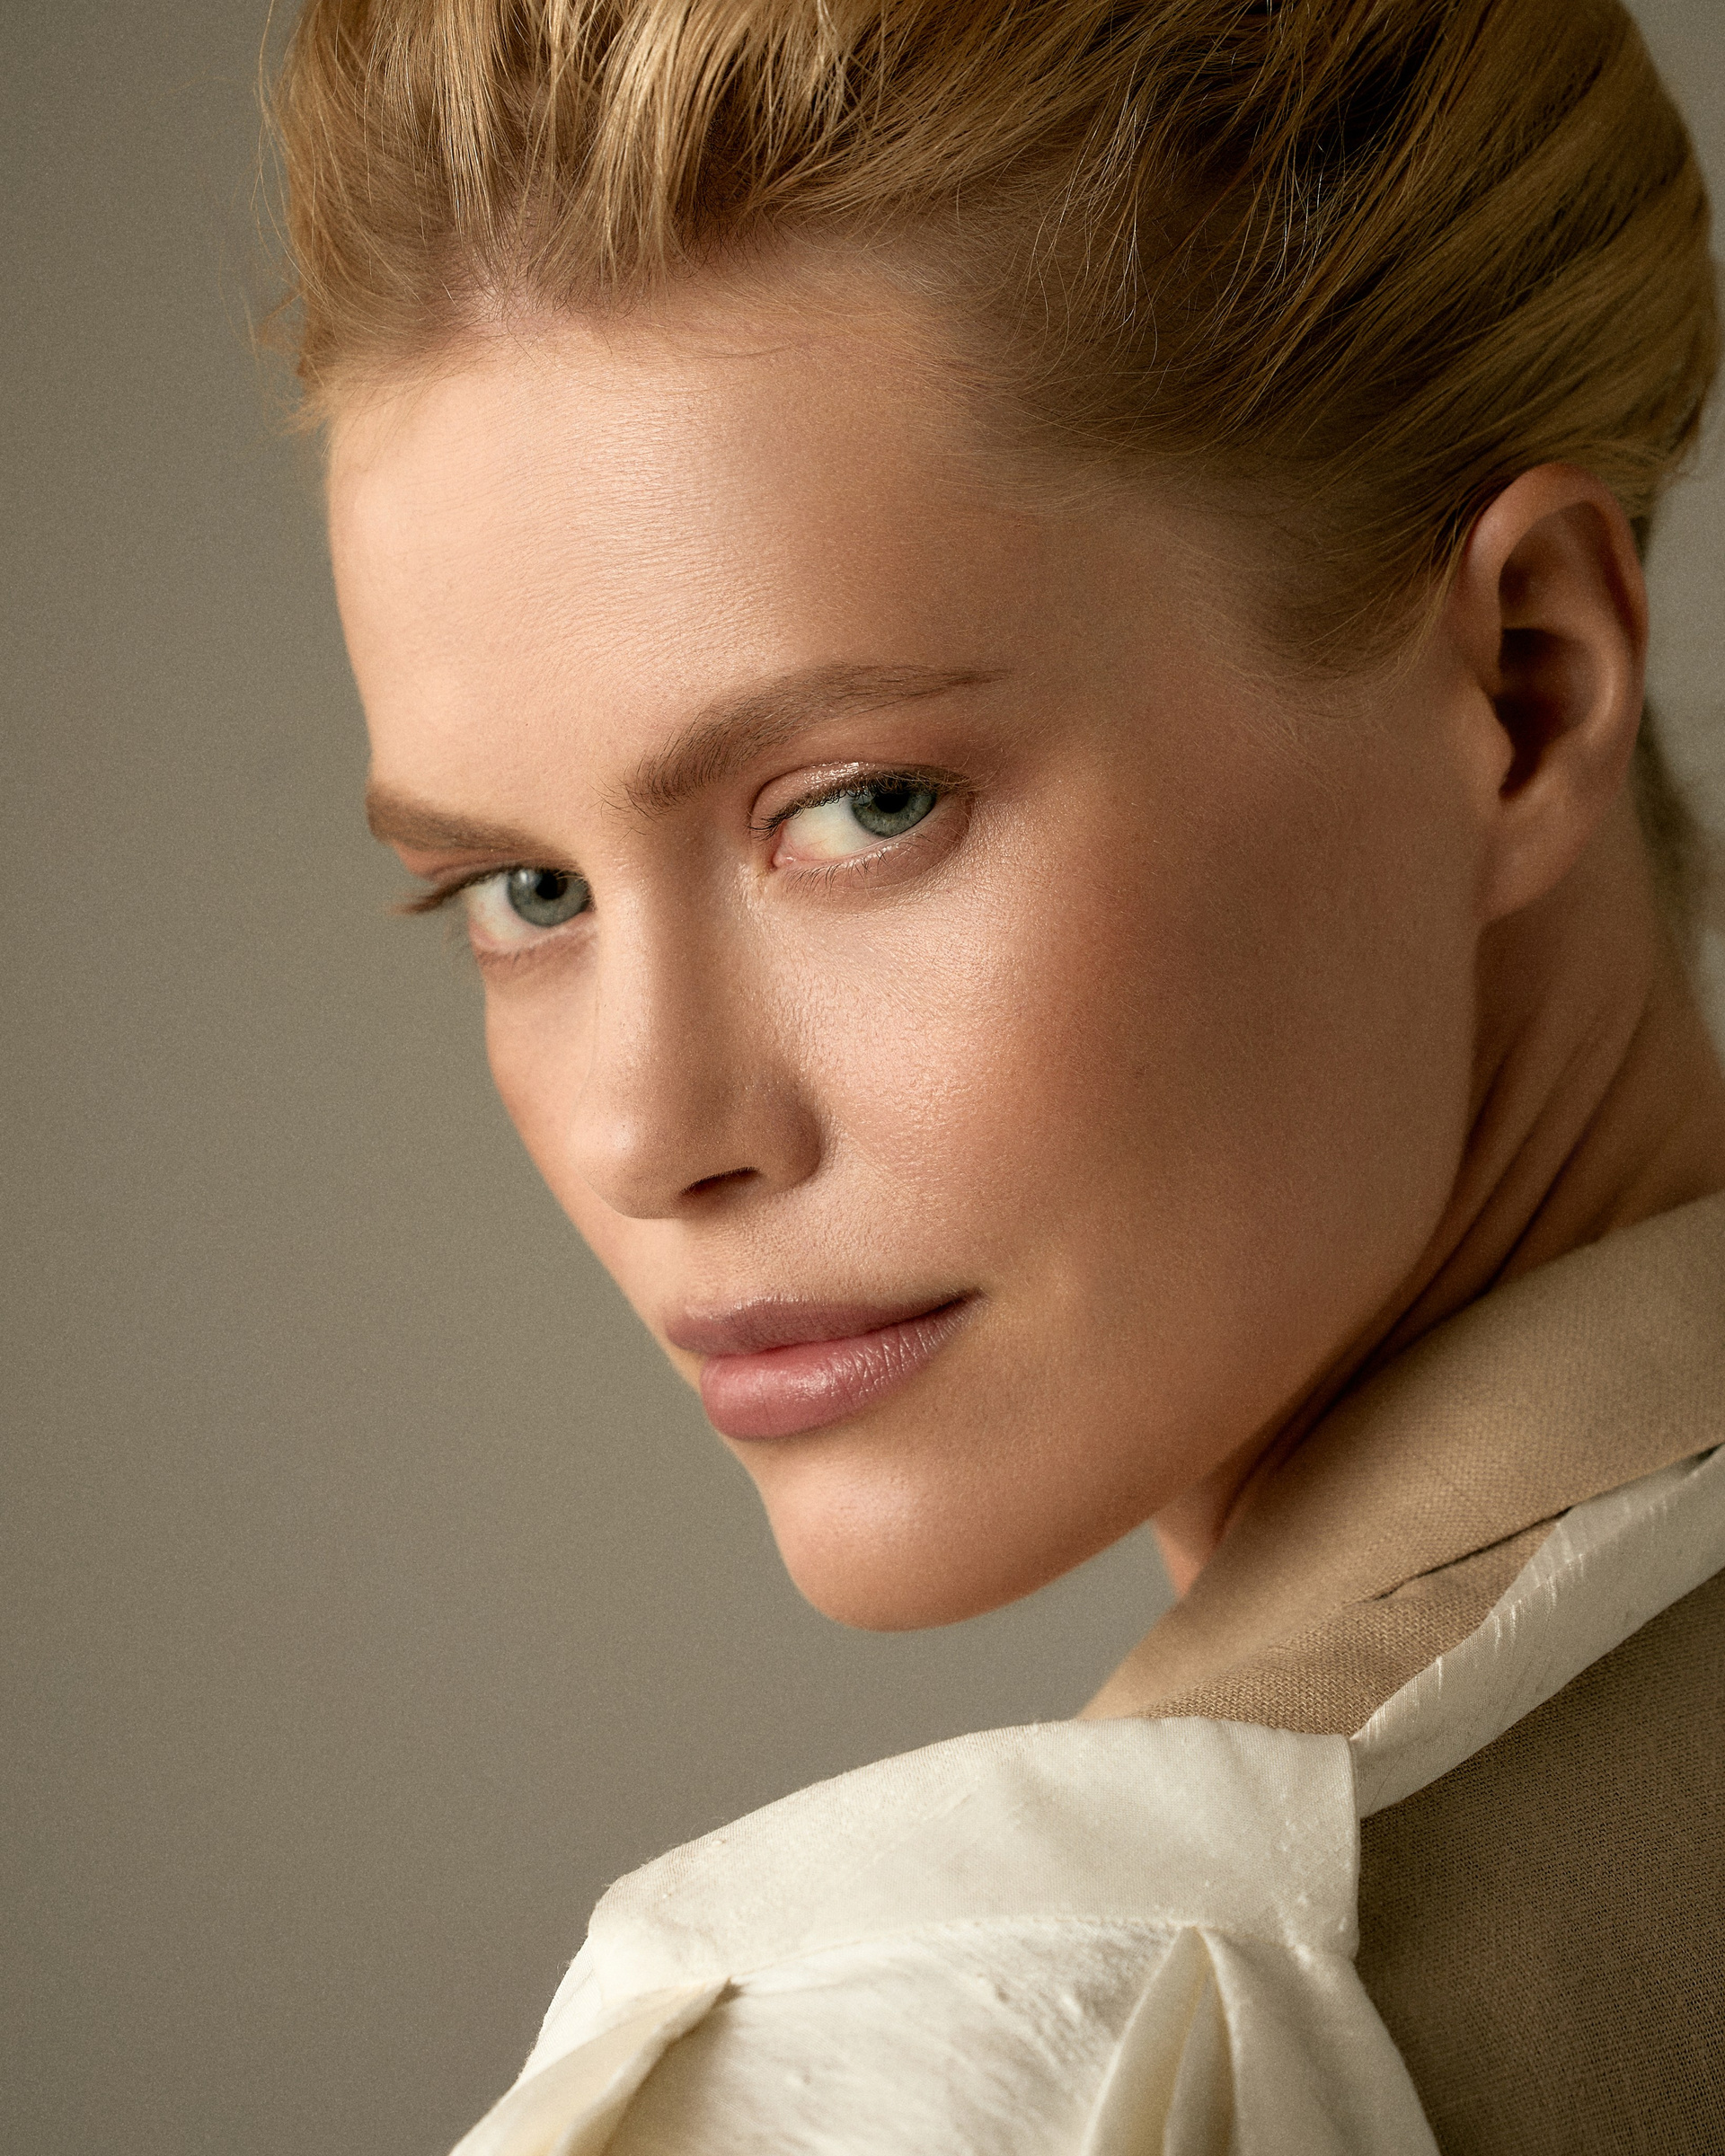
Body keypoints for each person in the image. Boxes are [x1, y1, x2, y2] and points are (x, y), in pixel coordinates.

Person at [269, 0, 1725, 2146]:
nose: (651, 1133)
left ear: (1524, 689)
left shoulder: (999, 2056)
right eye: (524, 890)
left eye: (864, 808)